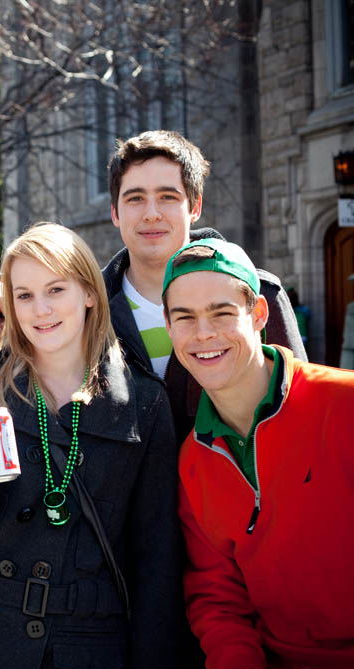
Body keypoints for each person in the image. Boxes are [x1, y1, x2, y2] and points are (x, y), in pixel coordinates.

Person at [0, 223, 180, 669]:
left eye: (56, 289)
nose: (40, 310)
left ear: (89, 294)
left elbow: (157, 559)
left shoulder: (144, 404)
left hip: (83, 649)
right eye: (23, 295)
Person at [163, 238, 354, 669]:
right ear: (170, 329)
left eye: (222, 312)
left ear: (259, 315)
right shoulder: (192, 460)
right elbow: (217, 596)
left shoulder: (345, 404)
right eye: (185, 318)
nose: (204, 333)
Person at [105, 129, 306, 444]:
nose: (151, 213)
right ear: (115, 212)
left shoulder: (257, 293)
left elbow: (299, 405)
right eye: (135, 198)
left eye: (168, 197)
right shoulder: (87, 307)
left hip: (234, 487)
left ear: (195, 207)